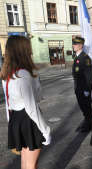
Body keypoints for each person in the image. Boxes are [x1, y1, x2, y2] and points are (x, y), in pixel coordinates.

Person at [0, 35, 51, 169]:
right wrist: (45, 130)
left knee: (25, 161)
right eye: (28, 48)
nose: (31, 51)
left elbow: (8, 103)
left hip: (16, 118)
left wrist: (11, 123)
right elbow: (32, 106)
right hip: (29, 120)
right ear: (22, 51)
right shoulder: (23, 74)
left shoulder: (8, 74)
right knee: (31, 164)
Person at [72, 36, 92, 132]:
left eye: (75, 44)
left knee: (87, 107)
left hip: (84, 88)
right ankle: (86, 122)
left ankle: (88, 125)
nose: (73, 45)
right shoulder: (77, 56)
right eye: (73, 43)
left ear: (81, 45)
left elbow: (89, 75)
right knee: (82, 107)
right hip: (78, 88)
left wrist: (87, 89)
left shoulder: (85, 58)